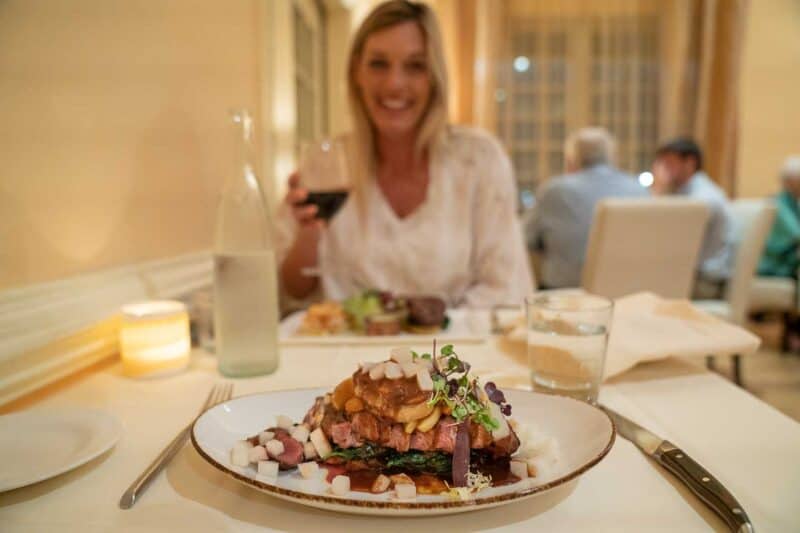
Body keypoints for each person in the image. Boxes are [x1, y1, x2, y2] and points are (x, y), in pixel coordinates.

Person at [276, 0, 533, 308]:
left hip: (452, 354)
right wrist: (308, 236)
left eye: (415, 66)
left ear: (434, 77)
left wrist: (427, 336)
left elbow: (504, 292)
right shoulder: (325, 163)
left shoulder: (479, 159)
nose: (394, 84)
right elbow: (293, 293)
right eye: (378, 64)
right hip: (345, 354)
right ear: (357, 72)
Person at [525, 127, 648, 288]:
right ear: (611, 157)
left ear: (572, 158)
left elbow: (526, 237)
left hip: (563, 295)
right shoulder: (638, 189)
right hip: (625, 291)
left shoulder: (554, 190)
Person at [652, 137, 734, 297]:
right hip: (695, 275)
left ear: (690, 163)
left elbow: (672, 237)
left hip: (706, 281)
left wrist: (657, 191)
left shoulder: (703, 196)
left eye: (668, 164)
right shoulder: (685, 193)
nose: (663, 170)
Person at [759, 156, 800, 278]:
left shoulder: (793, 203)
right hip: (773, 265)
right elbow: (796, 234)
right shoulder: (777, 203)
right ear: (788, 182)